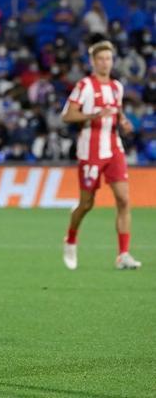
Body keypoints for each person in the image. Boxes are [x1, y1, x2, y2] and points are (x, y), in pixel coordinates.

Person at [61, 40, 141, 270]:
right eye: (101, 59)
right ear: (93, 62)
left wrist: (123, 121)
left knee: (124, 200)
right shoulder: (85, 85)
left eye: (108, 58)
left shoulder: (117, 87)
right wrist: (94, 114)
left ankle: (123, 254)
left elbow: (116, 111)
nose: (105, 62)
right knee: (87, 204)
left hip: (114, 149)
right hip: (90, 151)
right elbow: (67, 115)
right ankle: (71, 237)